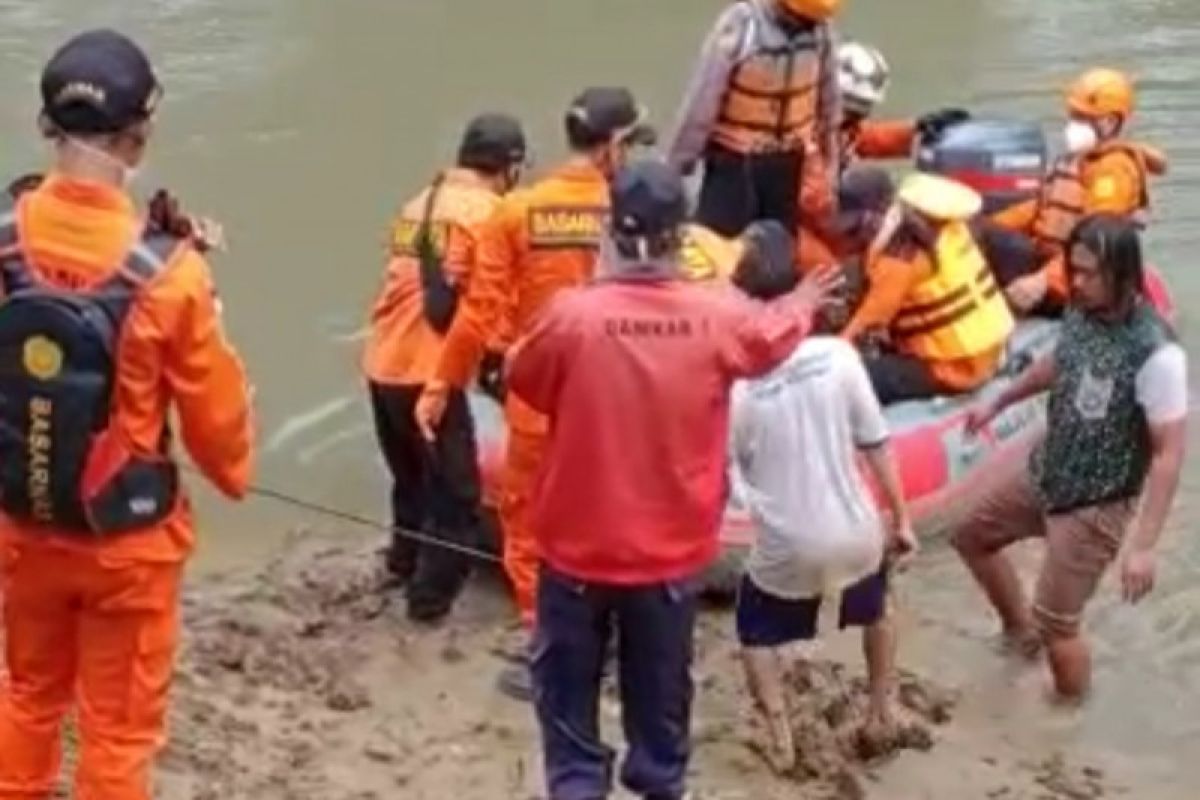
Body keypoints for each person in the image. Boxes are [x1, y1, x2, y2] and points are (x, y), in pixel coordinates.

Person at [506, 158, 840, 800]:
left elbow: (526, 379)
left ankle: (578, 787)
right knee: (661, 691)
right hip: (668, 555)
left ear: (611, 230)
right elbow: (771, 339)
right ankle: (659, 785)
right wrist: (801, 303)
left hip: (576, 550)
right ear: (678, 236)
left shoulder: (571, 317)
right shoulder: (718, 317)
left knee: (566, 690)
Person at [0, 29, 254, 799]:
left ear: (47, 128)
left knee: (25, 695)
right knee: (117, 730)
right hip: (126, 543)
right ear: (139, 137)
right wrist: (233, 474)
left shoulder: (5, 242)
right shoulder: (172, 276)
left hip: (20, 523)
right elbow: (219, 427)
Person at [414, 86, 656, 695]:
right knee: (612, 522)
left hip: (540, 401)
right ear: (615, 145)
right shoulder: (638, 207)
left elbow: (476, 314)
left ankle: (552, 644)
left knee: (529, 529)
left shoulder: (516, 211)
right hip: (617, 404)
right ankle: (618, 643)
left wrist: (442, 384)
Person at [952, 214, 1186, 700]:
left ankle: (1067, 718)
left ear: (1122, 274)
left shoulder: (1156, 354)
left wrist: (1144, 547)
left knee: (1060, 624)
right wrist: (1000, 401)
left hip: (1097, 502)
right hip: (1048, 469)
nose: (1075, 282)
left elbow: (1169, 453)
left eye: (1087, 273)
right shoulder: (1080, 311)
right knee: (971, 535)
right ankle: (1020, 634)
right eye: (1072, 269)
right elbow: (1059, 362)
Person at [727, 220, 914, 770]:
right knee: (878, 606)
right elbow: (877, 443)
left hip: (788, 545)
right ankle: (881, 710)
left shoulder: (737, 387)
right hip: (856, 530)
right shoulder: (840, 357)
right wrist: (901, 519)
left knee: (753, 630)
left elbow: (725, 479)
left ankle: (781, 734)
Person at [362, 113, 527, 622]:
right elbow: (496, 301)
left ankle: (403, 562)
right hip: (429, 373)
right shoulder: (492, 214)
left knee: (410, 478)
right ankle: (428, 604)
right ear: (510, 167)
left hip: (381, 362)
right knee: (457, 495)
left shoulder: (419, 203)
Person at [992, 68, 1167, 314]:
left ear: (1110, 122)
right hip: (1049, 259)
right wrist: (990, 223)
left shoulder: (1113, 171)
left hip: (1075, 278)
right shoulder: (1080, 158)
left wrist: (1042, 281)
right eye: (1073, 116)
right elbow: (1042, 206)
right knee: (981, 234)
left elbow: (1096, 240)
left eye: (1083, 117)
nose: (1073, 125)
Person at [666, 0, 842, 240]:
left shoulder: (821, 31)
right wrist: (676, 167)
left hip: (787, 164)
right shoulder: (742, 24)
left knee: (780, 249)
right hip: (735, 163)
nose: (807, 27)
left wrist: (830, 165)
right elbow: (703, 101)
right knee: (718, 246)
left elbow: (830, 104)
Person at [841, 172, 1015, 403]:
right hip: (987, 351)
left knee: (858, 377)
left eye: (855, 228)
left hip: (954, 367)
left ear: (876, 216)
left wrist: (828, 356)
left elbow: (867, 324)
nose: (856, 237)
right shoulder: (948, 229)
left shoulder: (898, 261)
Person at [836, 40, 969, 169]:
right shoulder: (817, 129)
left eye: (862, 109)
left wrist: (918, 130)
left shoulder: (840, 129)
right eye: (853, 108)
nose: (858, 115)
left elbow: (864, 139)